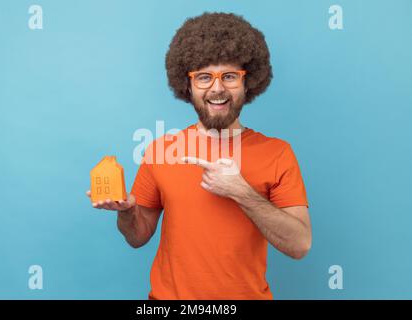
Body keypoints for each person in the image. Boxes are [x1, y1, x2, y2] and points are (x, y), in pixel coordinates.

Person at [86, 12, 312, 300]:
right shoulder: (160, 151)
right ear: (188, 85)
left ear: (248, 82)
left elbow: (299, 245)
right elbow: (137, 238)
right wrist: (128, 213)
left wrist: (241, 192)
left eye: (229, 76)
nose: (217, 88)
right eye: (204, 77)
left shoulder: (277, 153)